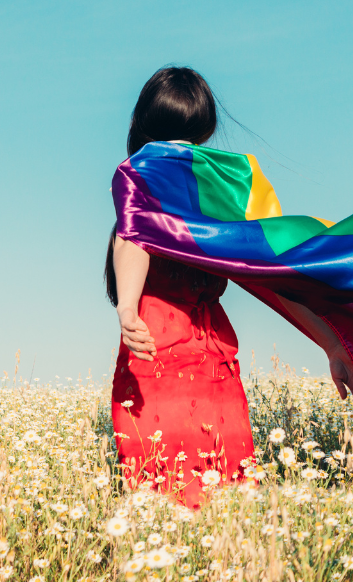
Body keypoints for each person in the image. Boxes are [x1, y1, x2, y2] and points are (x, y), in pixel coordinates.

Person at [104, 67, 254, 508]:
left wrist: (332, 343)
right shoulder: (140, 180)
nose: (181, 152)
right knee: (174, 504)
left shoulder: (221, 191)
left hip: (213, 366)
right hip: (158, 357)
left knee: (222, 505)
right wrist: (128, 308)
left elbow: (274, 271)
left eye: (192, 140)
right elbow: (133, 236)